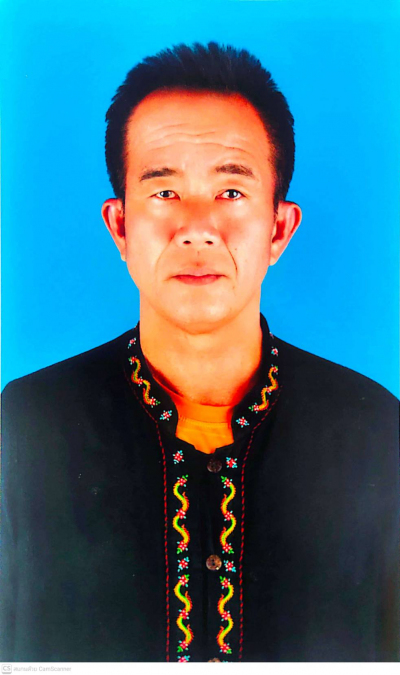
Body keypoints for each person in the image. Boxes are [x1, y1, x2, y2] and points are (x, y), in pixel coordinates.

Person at [1, 42, 399, 664]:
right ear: (120, 226)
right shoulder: (25, 426)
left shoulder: (374, 429)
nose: (196, 228)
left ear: (278, 229)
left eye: (231, 192)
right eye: (163, 192)